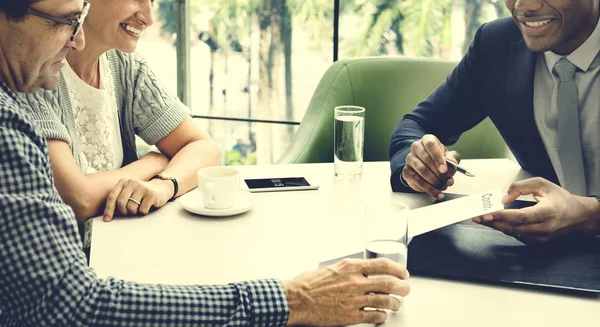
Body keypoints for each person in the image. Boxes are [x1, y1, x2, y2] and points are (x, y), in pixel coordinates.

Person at [0, 1, 410, 325]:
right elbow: (74, 297)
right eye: (67, 19)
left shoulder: (112, 68)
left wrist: (161, 180)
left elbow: (201, 147)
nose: (75, 39)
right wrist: (292, 300)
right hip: (100, 270)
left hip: (121, 256)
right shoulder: (23, 100)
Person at [389, 0, 600, 243]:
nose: (525, 6)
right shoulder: (496, 45)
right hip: (543, 255)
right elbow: (417, 126)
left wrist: (591, 215)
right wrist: (420, 165)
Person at [19, 0, 220, 225]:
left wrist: (163, 184)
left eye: (152, 2)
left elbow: (205, 148)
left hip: (123, 245)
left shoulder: (125, 66)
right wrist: (154, 162)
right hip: (68, 257)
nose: (148, 18)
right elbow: (77, 200)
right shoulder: (37, 71)